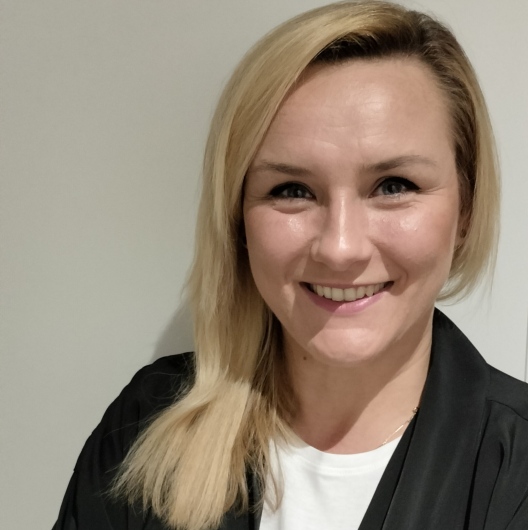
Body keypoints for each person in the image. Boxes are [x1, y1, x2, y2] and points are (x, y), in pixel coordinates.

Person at [53, 1, 528, 529]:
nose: (340, 248)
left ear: (466, 208)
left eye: (394, 186)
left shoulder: (516, 469)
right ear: (237, 220)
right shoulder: (145, 428)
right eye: (292, 190)